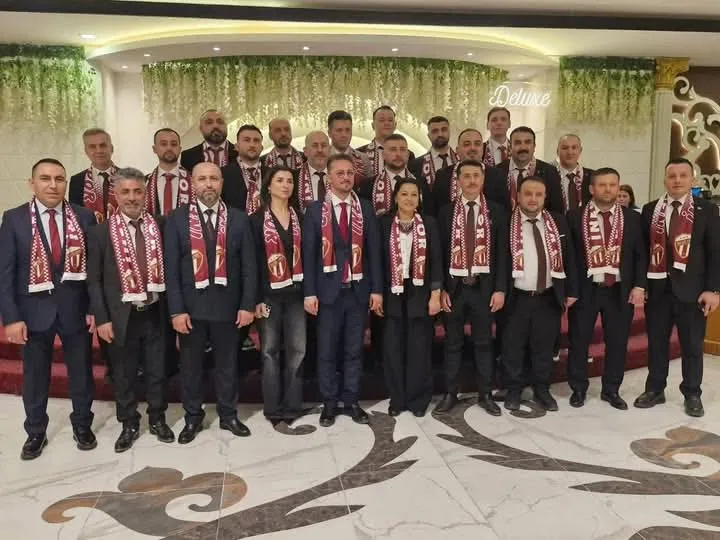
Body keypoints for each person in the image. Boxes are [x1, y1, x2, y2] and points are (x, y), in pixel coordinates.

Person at [0, 158, 96, 460]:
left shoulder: (84, 217)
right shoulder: (14, 219)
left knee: (81, 372)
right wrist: (11, 318)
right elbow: (5, 272)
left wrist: (94, 309)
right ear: (32, 183)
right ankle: (35, 432)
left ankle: (82, 424)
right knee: (35, 376)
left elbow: (94, 270)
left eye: (59, 179)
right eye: (45, 178)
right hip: (33, 312)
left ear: (66, 183)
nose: (53, 185)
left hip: (75, 309)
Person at [164, 162, 257, 442]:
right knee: (191, 368)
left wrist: (247, 305)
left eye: (214, 179)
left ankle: (228, 415)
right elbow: (171, 270)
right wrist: (176, 310)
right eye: (202, 179)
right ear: (192, 183)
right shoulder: (176, 219)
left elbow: (249, 267)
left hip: (228, 307)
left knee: (227, 366)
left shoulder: (238, 219)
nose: (208, 184)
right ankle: (193, 417)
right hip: (190, 310)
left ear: (221, 183)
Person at [87, 168, 174, 452]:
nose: (132, 197)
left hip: (155, 312)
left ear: (145, 194)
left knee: (157, 370)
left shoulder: (160, 226)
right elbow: (94, 280)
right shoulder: (100, 233)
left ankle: (158, 419)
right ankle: (129, 424)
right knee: (123, 374)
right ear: (115, 194)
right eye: (125, 192)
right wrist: (102, 318)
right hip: (120, 316)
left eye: (137, 191)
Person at [635, 157, 720, 417]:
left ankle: (692, 393)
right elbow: (643, 251)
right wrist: (641, 285)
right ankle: (655, 389)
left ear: (692, 179)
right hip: (658, 290)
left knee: (692, 346)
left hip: (693, 292)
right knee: (657, 344)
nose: (677, 180)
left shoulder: (707, 210)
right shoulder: (651, 209)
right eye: (672, 176)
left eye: (683, 175)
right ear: (665, 180)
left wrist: (713, 290)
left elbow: (715, 252)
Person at [303, 154, 383, 427]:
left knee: (353, 350)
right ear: (329, 178)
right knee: (326, 351)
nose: (346, 177)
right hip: (327, 293)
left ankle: (351, 400)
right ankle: (329, 402)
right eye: (340, 173)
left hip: (358, 291)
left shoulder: (365, 208)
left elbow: (374, 252)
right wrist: (309, 292)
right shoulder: (315, 211)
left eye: (350, 172)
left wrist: (377, 290)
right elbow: (309, 255)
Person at [566, 168, 647, 409]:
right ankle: (578, 388)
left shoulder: (632, 218)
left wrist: (639, 285)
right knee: (579, 340)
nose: (608, 189)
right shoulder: (574, 216)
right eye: (602, 185)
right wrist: (571, 290)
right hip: (586, 289)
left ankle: (611, 390)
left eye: (613, 185)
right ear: (592, 189)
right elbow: (570, 257)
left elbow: (641, 255)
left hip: (619, 290)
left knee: (617, 342)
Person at [435, 159, 508, 416]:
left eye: (476, 176)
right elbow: (439, 254)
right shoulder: (445, 212)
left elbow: (503, 253)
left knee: (484, 343)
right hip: (454, 290)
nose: (472, 181)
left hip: (483, 289)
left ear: (483, 179)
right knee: (452, 344)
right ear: (458, 181)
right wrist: (441, 289)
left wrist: (500, 289)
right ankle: (450, 393)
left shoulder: (496, 211)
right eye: (466, 176)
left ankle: (485, 393)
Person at [502, 176, 577, 412]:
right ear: (518, 196)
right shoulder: (506, 222)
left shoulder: (558, 221)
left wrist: (572, 290)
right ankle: (514, 389)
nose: (533, 199)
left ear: (545, 197)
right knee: (513, 346)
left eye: (538, 194)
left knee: (543, 347)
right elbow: (499, 261)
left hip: (548, 296)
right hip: (516, 297)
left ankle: (542, 389)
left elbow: (570, 256)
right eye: (528, 194)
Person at [380, 178, 442, 417]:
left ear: (420, 199)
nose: (409, 199)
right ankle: (397, 399)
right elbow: (376, 260)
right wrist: (377, 294)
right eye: (404, 194)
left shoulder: (429, 223)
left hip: (421, 291)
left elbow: (437, 260)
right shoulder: (384, 223)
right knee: (393, 348)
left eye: (414, 194)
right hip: (391, 292)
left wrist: (435, 294)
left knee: (419, 347)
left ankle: (418, 400)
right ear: (396, 197)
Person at [250, 166, 306, 423]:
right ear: (269, 186)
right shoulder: (256, 220)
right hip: (268, 296)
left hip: (296, 295)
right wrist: (256, 299)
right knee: (269, 352)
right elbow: (251, 263)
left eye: (290, 181)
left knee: (298, 350)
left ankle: (293, 406)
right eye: (280, 180)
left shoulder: (300, 218)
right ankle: (272, 408)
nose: (285, 185)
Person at [433, 128, 510, 214]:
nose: (472, 148)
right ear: (457, 150)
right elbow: (435, 211)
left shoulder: (497, 175)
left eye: (477, 144)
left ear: (483, 149)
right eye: (467, 144)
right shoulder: (442, 175)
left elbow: (504, 211)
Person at [359, 133, 432, 217]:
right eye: (393, 150)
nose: (398, 154)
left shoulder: (420, 182)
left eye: (402, 149)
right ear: (383, 155)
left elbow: (428, 214)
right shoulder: (369, 184)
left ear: (408, 155)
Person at [496, 126, 564, 213]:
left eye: (527, 142)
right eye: (517, 143)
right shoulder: (497, 171)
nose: (523, 147)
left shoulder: (550, 172)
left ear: (534, 146)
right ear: (510, 147)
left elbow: (556, 210)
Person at [69, 128, 118, 223]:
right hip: (89, 231)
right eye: (92, 147)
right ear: (86, 151)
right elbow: (75, 216)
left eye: (102, 145)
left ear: (111, 148)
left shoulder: (127, 177)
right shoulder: (77, 181)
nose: (98, 150)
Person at [356, 105, 416, 177]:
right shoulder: (360, 153)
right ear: (373, 125)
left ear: (395, 125)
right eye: (382, 120)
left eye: (390, 120)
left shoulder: (408, 155)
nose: (387, 123)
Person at [145, 128, 193, 217]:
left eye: (173, 144)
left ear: (180, 149)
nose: (169, 148)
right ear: (154, 149)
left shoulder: (193, 181)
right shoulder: (144, 183)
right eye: (163, 144)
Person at [221, 124, 266, 214]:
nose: (252, 144)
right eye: (247, 140)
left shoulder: (273, 174)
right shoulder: (222, 174)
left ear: (261, 147)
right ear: (236, 146)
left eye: (256, 140)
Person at [409, 116, 458, 191]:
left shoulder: (461, 160)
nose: (440, 134)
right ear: (429, 136)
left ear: (449, 132)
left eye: (444, 130)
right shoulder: (415, 165)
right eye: (435, 131)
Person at [327, 110, 372, 178]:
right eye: (339, 130)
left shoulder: (363, 159)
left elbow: (369, 184)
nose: (344, 135)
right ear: (329, 133)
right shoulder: (322, 158)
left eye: (347, 130)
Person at [556, 134, 593, 212]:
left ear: (580, 151)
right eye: (565, 148)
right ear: (557, 151)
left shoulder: (592, 176)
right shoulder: (548, 175)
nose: (570, 152)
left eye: (574, 147)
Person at [297, 130, 330, 212]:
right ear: (305, 151)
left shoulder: (340, 176)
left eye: (324, 145)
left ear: (329, 150)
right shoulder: (294, 178)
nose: (320, 150)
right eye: (315, 146)